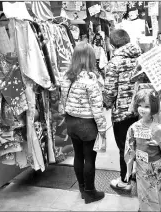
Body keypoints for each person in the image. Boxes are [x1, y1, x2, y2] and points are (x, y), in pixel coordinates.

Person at [60, 43, 106, 204]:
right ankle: (90, 192)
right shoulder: (91, 79)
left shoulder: (66, 76)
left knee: (78, 156)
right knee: (90, 158)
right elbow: (97, 107)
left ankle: (81, 188)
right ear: (90, 58)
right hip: (87, 124)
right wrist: (102, 128)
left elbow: (62, 99)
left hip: (71, 121)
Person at [124, 89, 161, 211]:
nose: (142, 109)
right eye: (140, 106)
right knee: (142, 191)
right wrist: (128, 170)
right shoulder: (133, 127)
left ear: (154, 107)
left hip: (156, 167)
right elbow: (130, 149)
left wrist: (158, 146)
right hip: (141, 166)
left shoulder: (159, 129)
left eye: (146, 106)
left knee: (158, 192)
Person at [104, 29, 142, 191]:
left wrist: (106, 103)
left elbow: (110, 91)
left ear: (112, 44)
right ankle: (138, 175)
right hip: (142, 110)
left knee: (124, 147)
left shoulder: (115, 62)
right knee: (140, 145)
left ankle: (124, 182)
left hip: (122, 112)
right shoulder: (141, 58)